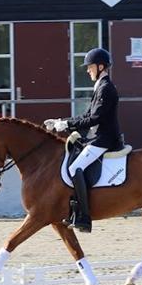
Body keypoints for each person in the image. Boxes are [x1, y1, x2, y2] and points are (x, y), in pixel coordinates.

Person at [44, 47, 121, 233]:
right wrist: (63, 122)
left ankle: (84, 216)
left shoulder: (106, 88)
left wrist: (67, 126)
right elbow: (87, 115)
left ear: (101, 66)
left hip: (104, 139)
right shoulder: (100, 87)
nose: (88, 70)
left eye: (90, 67)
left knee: (75, 168)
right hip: (96, 137)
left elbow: (95, 119)